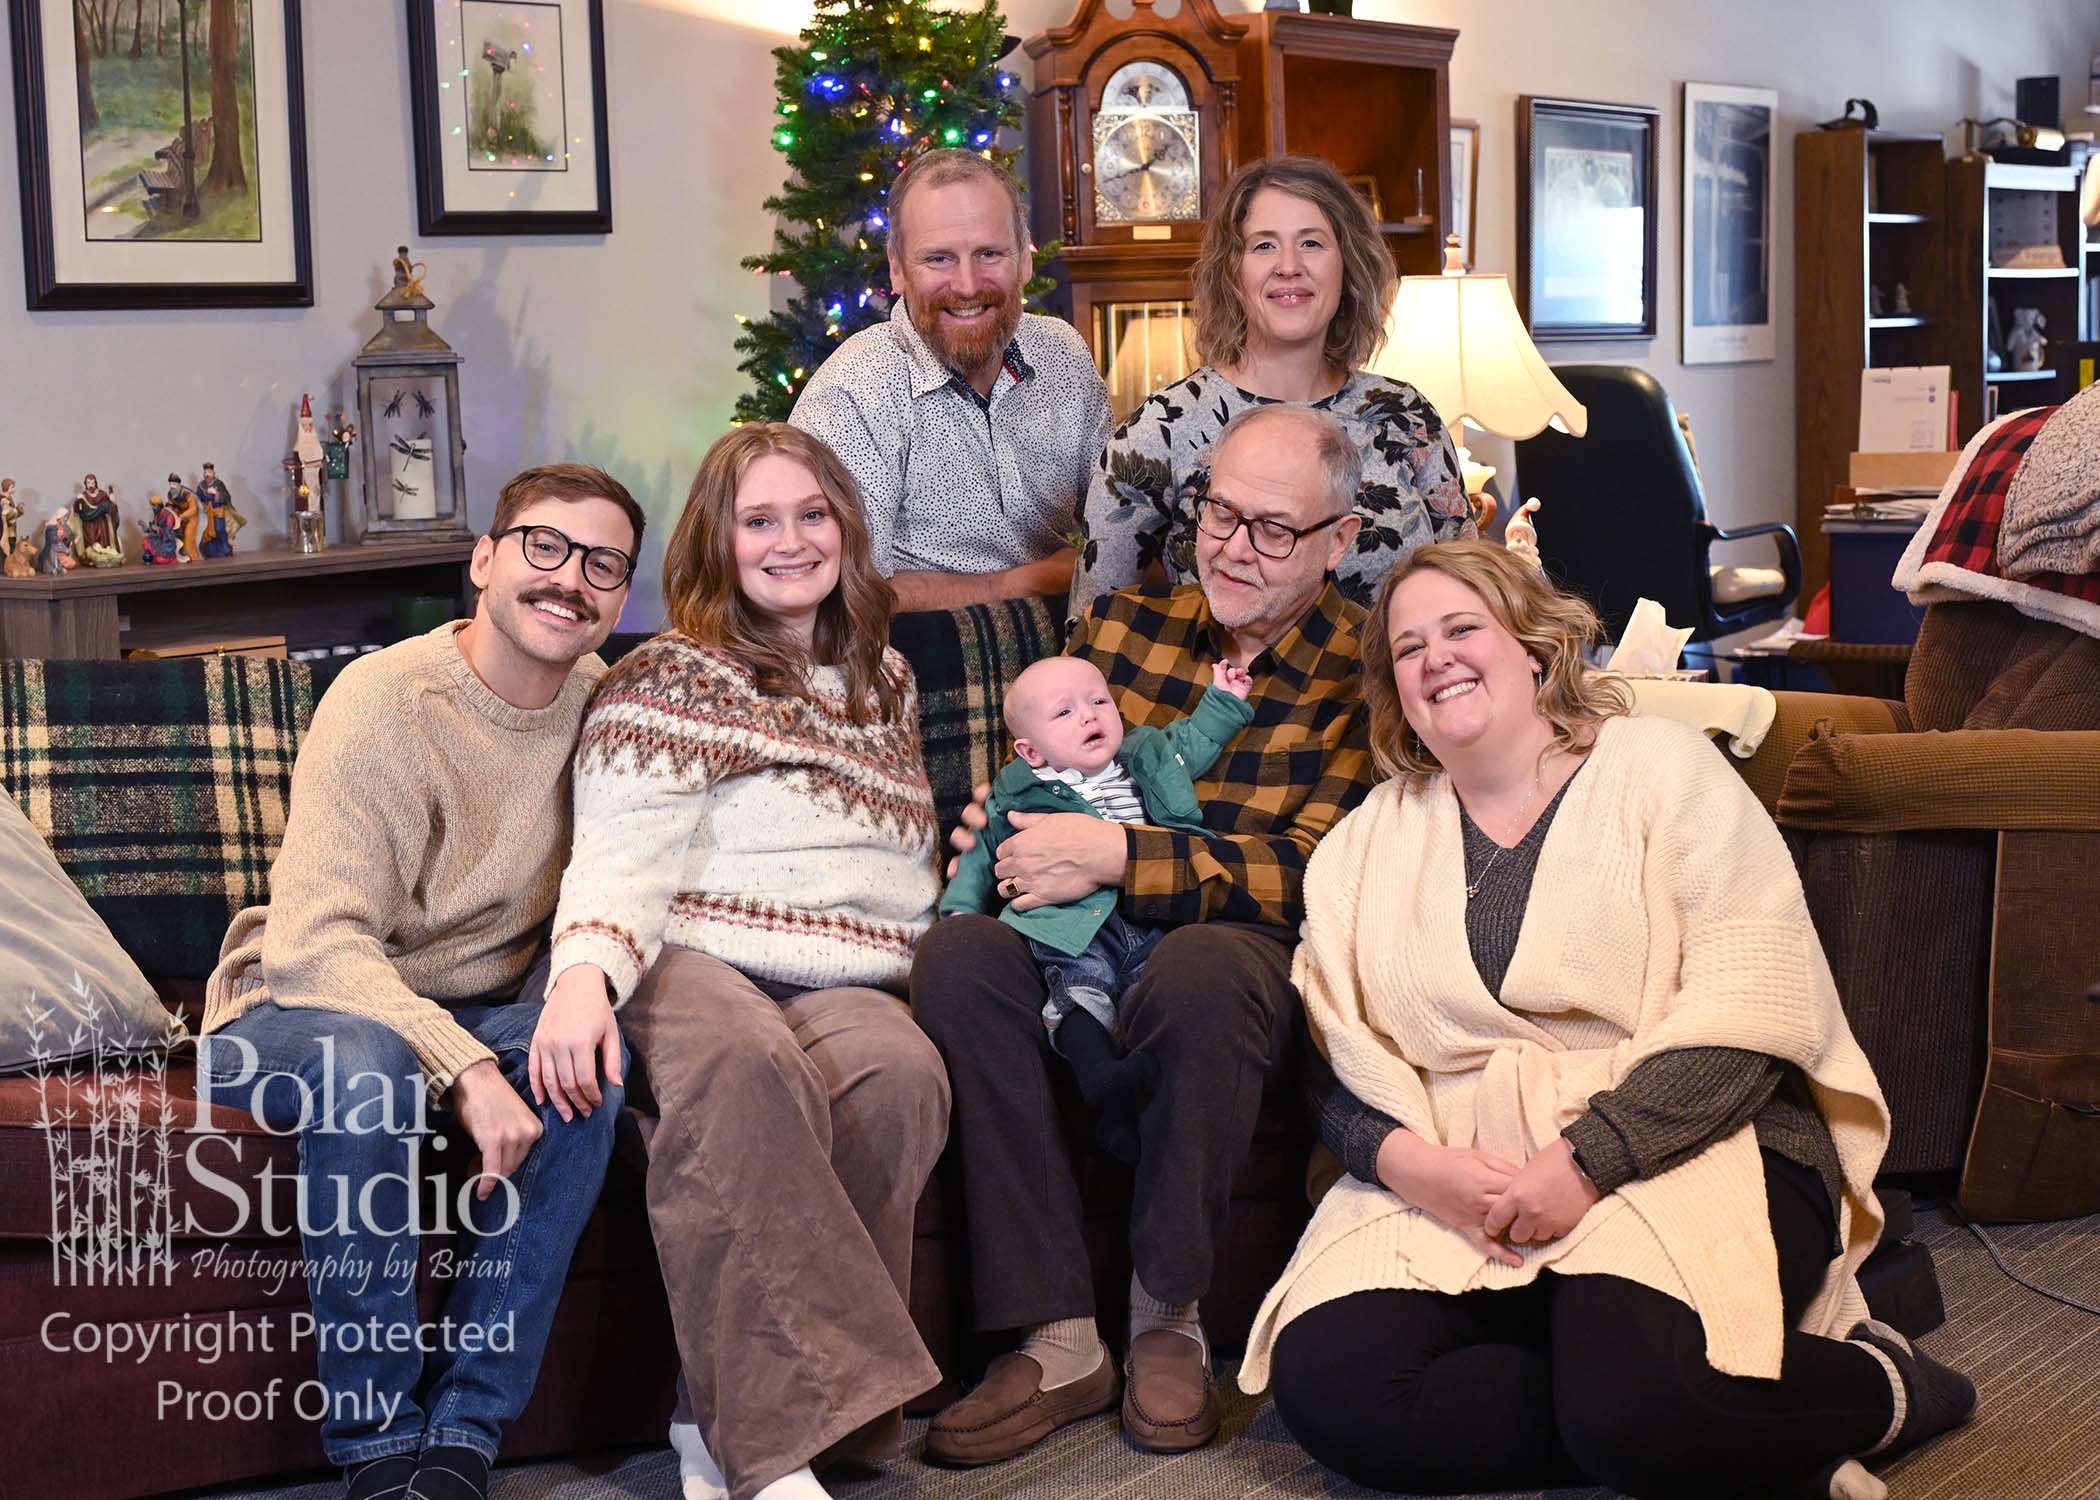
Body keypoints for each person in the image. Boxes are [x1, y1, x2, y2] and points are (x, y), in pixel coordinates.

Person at [1243, 540, 1977, 1500]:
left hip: (1700, 1142)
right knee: (1334, 1393)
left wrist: (1590, 1158)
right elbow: (1334, 1053)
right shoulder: (1363, 843)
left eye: (1462, 629)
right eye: (1409, 648)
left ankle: (1881, 1388)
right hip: (1466, 1170)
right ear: (1395, 691)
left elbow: (1753, 1009)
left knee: (1630, 1404)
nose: (1436, 659)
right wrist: (1411, 1166)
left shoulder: (1664, 771)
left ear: (1533, 647)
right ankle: (1723, 1421)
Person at [912, 401, 1377, 1464]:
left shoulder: (1365, 665)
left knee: (1200, 973)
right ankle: (1057, 1335)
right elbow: (1048, 770)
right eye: (1220, 513)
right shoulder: (1124, 624)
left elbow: (1319, 871)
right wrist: (1005, 833)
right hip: (1075, 925)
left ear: (1340, 539)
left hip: (1236, 936)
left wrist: (1122, 856)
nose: (1234, 548)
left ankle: (1168, 1314)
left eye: (1275, 529)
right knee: (960, 958)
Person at [197, 463, 646, 1500]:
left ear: (622, 597)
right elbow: (316, 943)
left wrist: (556, 1012)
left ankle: (465, 1434)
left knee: (585, 1070)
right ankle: (375, 1446)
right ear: (483, 560)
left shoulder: (608, 708)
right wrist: (465, 1069)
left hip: (473, 1008)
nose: (569, 579)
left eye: (602, 565)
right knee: (372, 1063)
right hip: (291, 1008)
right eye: (544, 546)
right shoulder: (385, 698)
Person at [537, 422, 949, 1500]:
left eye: (812, 515)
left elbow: (891, 861)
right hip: (688, 954)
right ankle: (770, 1457)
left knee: (901, 1075)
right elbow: (621, 848)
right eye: (758, 520)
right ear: (717, 541)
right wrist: (584, 975)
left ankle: (710, 1421)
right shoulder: (670, 674)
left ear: (845, 529)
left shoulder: (886, 679)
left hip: (847, 971)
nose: (790, 541)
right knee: (744, 1065)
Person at [1069, 153, 1473, 625]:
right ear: (1232, 272)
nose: (1288, 266)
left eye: (1312, 243)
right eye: (1263, 246)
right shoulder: (1159, 431)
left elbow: (1472, 594)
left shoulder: (1407, 415)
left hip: (1400, 673)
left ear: (1348, 265)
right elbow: (1093, 629)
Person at [939, 653, 1255, 1162]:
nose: (1088, 715)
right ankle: (1098, 1076)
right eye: (1064, 712)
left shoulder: (1148, 755)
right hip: (1071, 923)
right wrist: (960, 910)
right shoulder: (1016, 794)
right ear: (1031, 751)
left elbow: (1195, 741)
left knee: (1158, 994)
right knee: (1081, 986)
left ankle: (1125, 1113)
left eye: (1099, 701)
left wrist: (1224, 699)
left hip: (1152, 913)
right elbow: (979, 852)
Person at [790, 148, 1111, 612]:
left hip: (1070, 644)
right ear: (897, 269)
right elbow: (845, 594)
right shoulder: (851, 394)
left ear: (1024, 258)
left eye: (989, 254)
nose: (966, 285)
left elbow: (1119, 531)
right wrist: (1032, 580)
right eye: (939, 259)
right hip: (918, 651)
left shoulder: (1063, 354)